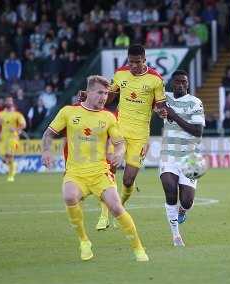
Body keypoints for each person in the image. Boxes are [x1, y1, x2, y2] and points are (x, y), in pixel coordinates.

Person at [41, 75, 149, 262]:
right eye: (100, 92)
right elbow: (48, 134)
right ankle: (84, 241)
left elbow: (119, 142)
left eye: (106, 93)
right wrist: (46, 151)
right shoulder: (68, 112)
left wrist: (119, 152)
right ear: (89, 92)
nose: (104, 97)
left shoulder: (108, 117)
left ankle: (138, 248)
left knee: (116, 207)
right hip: (75, 172)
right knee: (69, 196)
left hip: (100, 173)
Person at [79, 44, 166, 230]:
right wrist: (90, 98)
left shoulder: (156, 80)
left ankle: (120, 206)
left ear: (144, 60)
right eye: (131, 62)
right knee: (108, 170)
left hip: (140, 136)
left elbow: (160, 105)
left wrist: (162, 111)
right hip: (118, 129)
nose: (133, 66)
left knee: (128, 180)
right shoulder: (120, 74)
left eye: (137, 62)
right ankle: (104, 215)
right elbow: (109, 98)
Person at [158, 70, 205, 246]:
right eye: (177, 81)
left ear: (188, 84)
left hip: (190, 156)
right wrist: (160, 112)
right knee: (170, 190)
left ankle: (183, 210)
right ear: (172, 83)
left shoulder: (195, 102)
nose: (180, 84)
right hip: (168, 154)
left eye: (183, 82)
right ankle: (176, 235)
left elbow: (198, 132)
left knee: (187, 200)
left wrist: (174, 116)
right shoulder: (164, 98)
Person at [0, 96, 26, 182]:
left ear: (12, 103)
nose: (9, 102)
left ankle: (11, 175)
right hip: (4, 138)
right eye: (7, 101)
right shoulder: (0, 114)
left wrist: (17, 129)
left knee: (10, 154)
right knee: (5, 158)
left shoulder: (17, 114)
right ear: (5, 103)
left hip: (14, 138)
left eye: (10, 101)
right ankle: (13, 167)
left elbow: (23, 124)